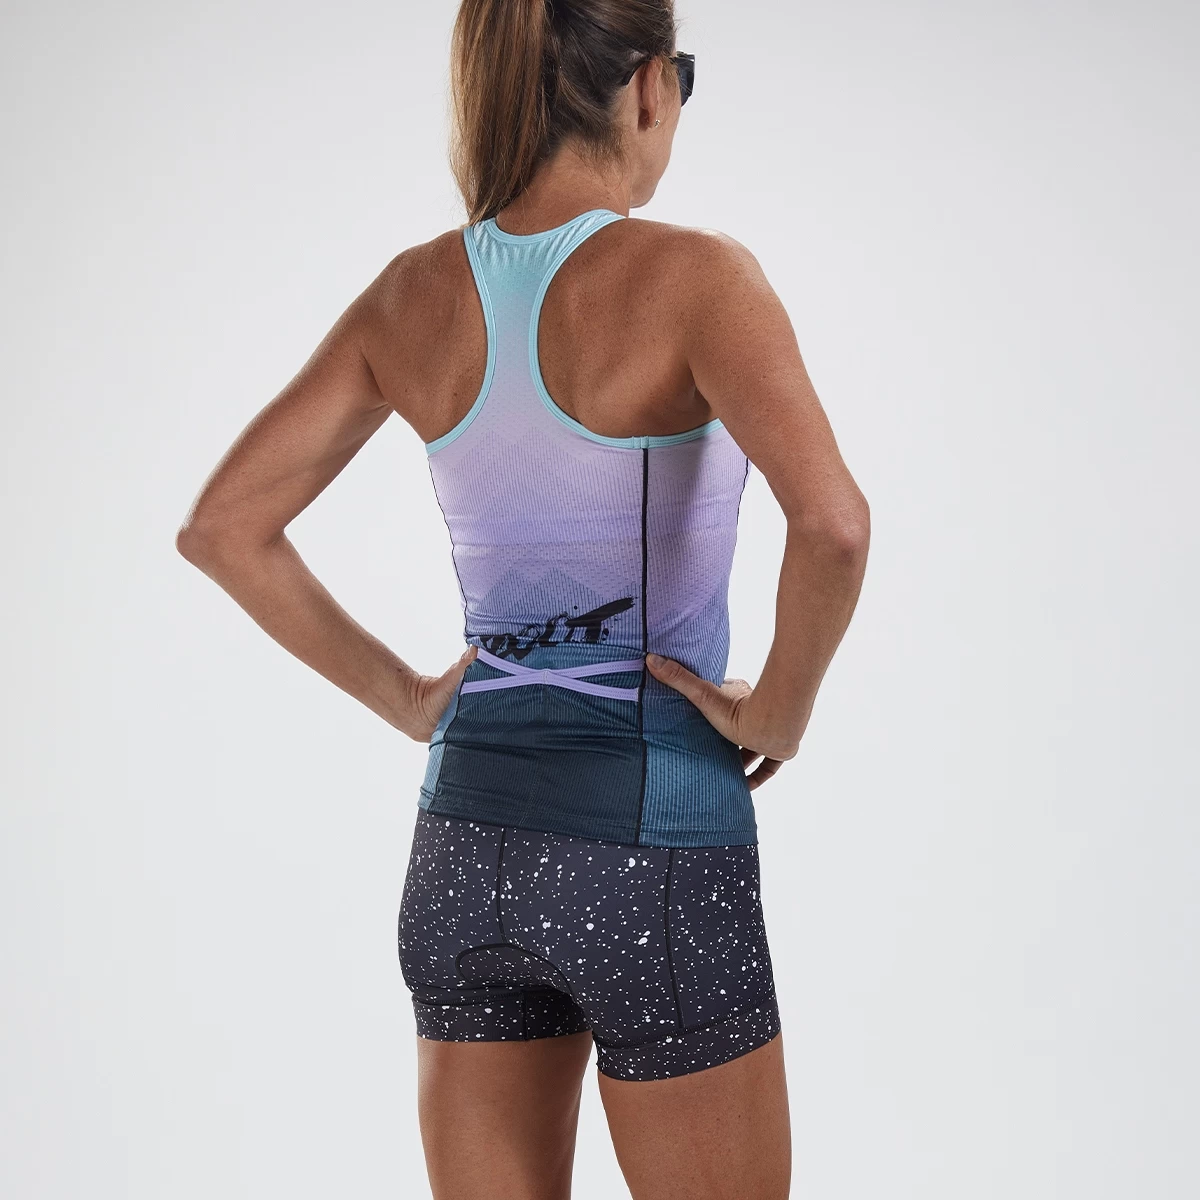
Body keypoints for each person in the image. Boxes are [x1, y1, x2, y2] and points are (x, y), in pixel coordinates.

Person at [176, 0, 870, 1195]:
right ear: (649, 85)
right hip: (657, 848)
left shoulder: (410, 296)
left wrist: (410, 700)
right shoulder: (698, 278)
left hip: (463, 850)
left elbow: (223, 528)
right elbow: (835, 525)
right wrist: (779, 716)